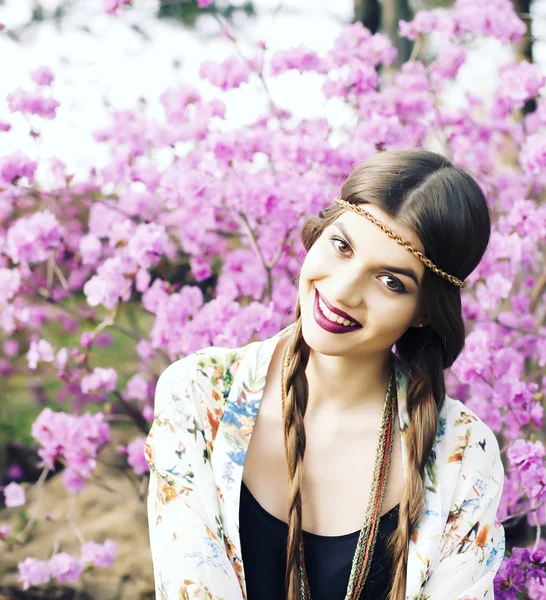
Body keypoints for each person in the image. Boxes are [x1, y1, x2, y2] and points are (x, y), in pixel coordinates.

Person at [144, 149, 506, 600]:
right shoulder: (199, 397)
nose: (342, 290)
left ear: (424, 312)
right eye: (342, 246)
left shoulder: (464, 454)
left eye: (391, 281)